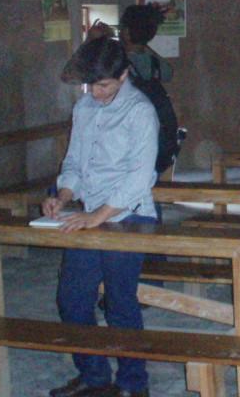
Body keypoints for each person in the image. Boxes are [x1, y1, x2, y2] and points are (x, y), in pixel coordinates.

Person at [43, 37, 158, 397]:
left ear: (123, 75)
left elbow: (139, 178)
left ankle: (133, 384)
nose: (96, 92)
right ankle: (95, 378)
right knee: (73, 300)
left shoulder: (140, 111)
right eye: (90, 84)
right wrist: (63, 196)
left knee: (120, 304)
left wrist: (98, 216)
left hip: (130, 216)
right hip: (90, 213)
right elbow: (75, 162)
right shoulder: (85, 108)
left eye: (104, 84)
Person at [118, 5, 180, 175]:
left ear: (127, 32)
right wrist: (144, 46)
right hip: (154, 140)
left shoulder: (116, 62)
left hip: (127, 141)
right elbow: (168, 72)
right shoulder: (154, 62)